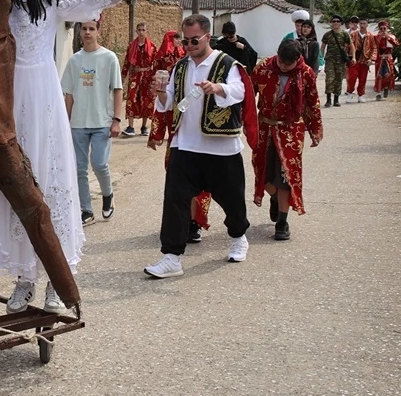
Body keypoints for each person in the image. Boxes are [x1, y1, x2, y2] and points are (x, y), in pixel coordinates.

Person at [0, 0, 153, 313]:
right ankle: (25, 278)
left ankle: (55, 278)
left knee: (49, 184)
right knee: (14, 185)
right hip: (8, 103)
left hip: (44, 101)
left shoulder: (54, 2)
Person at [144, 14, 256, 279]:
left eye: (194, 40)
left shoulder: (227, 63)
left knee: (232, 201)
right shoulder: (180, 67)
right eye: (185, 40)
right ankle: (172, 256)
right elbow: (169, 101)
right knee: (175, 200)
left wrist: (218, 88)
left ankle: (238, 236)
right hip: (186, 145)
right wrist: (159, 93)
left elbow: (240, 91)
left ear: (207, 36)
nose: (189, 45)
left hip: (220, 146)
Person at [249, 40, 323, 241]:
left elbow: (312, 102)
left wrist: (315, 130)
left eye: (287, 65)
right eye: (281, 62)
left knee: (286, 176)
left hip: (291, 129)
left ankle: (282, 222)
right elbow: (247, 94)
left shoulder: (305, 73)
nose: (282, 66)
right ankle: (274, 198)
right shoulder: (263, 67)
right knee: (261, 172)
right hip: (264, 126)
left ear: (297, 60)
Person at [62, 18, 123, 225]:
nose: (87, 32)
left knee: (99, 164)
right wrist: (65, 122)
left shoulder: (109, 57)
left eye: (91, 28)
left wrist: (116, 120)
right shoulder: (74, 61)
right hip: (78, 123)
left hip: (101, 122)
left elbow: (117, 90)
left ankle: (107, 196)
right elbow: (69, 94)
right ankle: (86, 209)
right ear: (79, 31)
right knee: (79, 168)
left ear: (98, 31)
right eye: (84, 28)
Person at [121, 21, 157, 137]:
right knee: (131, 98)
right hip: (135, 76)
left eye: (143, 30)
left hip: (147, 76)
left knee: (146, 100)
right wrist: (123, 77)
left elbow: (155, 63)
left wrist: (156, 79)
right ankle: (131, 127)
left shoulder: (152, 47)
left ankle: (144, 126)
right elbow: (127, 62)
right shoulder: (131, 46)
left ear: (146, 32)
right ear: (136, 31)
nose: (141, 32)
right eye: (139, 30)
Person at [320, 14, 353, 108]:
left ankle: (336, 99)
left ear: (341, 23)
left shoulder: (344, 34)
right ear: (331, 23)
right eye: (334, 21)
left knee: (338, 79)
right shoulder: (328, 34)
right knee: (329, 79)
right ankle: (328, 99)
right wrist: (321, 57)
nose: (335, 23)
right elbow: (323, 46)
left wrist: (353, 57)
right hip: (330, 59)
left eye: (338, 21)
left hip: (340, 60)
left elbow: (351, 46)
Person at [347, 18, 377, 103]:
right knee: (352, 78)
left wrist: (371, 59)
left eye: (364, 24)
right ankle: (349, 93)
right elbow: (347, 46)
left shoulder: (370, 36)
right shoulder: (353, 35)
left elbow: (373, 48)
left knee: (363, 79)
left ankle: (361, 95)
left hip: (365, 61)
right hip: (354, 60)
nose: (362, 25)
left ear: (367, 25)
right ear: (359, 25)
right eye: (361, 24)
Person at [374, 21, 400, 99]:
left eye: (384, 28)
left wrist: (388, 37)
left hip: (388, 58)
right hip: (380, 58)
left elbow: (396, 44)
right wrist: (380, 37)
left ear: (387, 28)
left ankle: (386, 88)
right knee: (379, 76)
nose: (383, 30)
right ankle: (378, 93)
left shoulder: (391, 36)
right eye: (381, 28)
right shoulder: (376, 37)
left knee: (388, 75)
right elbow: (374, 46)